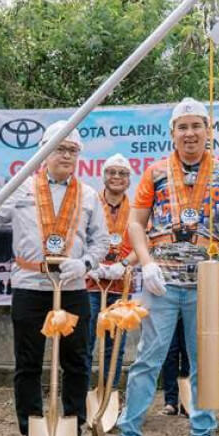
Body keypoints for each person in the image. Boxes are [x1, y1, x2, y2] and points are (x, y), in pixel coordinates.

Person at [107, 97, 219, 436]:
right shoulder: (155, 172)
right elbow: (136, 223)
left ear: (208, 131)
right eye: (183, 127)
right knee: (147, 361)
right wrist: (146, 264)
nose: (190, 133)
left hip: (205, 282)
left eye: (197, 126)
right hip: (162, 282)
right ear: (172, 132)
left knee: (205, 365)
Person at [0, 120, 109, 436]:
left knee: (77, 363)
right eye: (60, 148)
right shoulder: (21, 188)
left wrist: (84, 264)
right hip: (30, 286)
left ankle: (73, 432)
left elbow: (100, 241)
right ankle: (32, 432)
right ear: (44, 152)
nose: (66, 155)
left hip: (71, 288)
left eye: (72, 150)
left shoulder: (89, 195)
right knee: (28, 364)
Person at [86, 153, 137, 391]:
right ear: (103, 175)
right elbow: (76, 237)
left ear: (129, 179)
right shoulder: (89, 203)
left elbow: (145, 243)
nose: (117, 177)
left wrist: (124, 265)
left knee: (115, 344)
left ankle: (109, 394)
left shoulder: (137, 209)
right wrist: (90, 264)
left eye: (123, 173)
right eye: (112, 172)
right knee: (84, 342)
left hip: (121, 284)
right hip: (89, 283)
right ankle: (82, 394)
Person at [159, 314, 190, 416]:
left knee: (189, 352)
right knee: (169, 353)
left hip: (191, 309)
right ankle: (171, 402)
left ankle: (188, 403)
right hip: (167, 310)